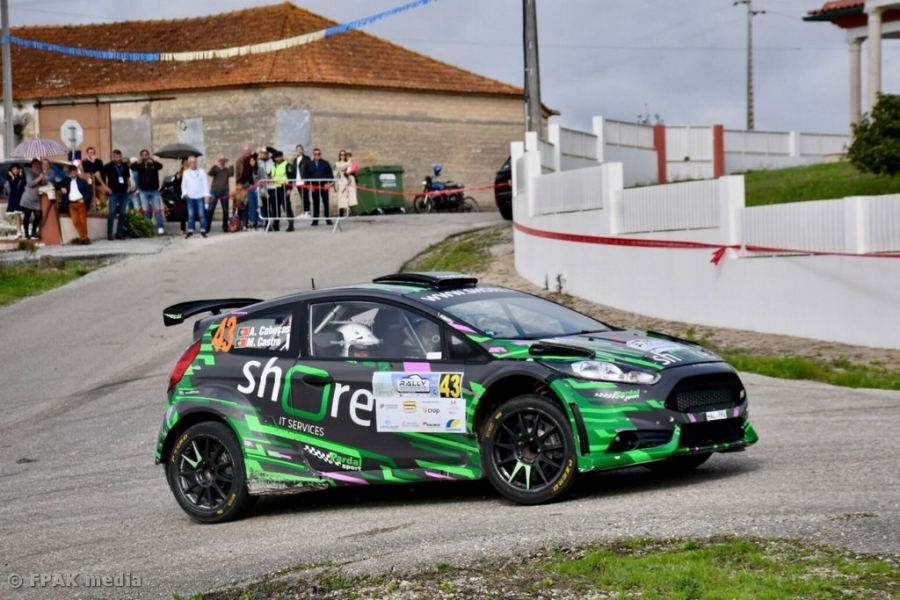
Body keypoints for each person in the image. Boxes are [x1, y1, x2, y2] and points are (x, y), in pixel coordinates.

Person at [57, 163, 94, 244]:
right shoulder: (66, 180)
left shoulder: (82, 181)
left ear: (77, 172)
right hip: (71, 204)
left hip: (80, 203)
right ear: (69, 172)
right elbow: (56, 184)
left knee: (83, 221)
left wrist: (84, 199)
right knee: (76, 222)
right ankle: (84, 238)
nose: (73, 172)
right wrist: (61, 188)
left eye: (74, 171)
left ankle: (83, 238)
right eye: (71, 171)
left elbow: (89, 192)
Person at [134, 149, 166, 235]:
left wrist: (153, 162)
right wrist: (137, 162)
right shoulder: (139, 165)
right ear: (141, 156)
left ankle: (160, 227)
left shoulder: (153, 164)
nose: (145, 156)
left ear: (148, 155)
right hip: (143, 191)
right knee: (146, 211)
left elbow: (161, 166)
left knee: (157, 210)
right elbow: (131, 167)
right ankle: (147, 228)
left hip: (154, 190)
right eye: (143, 155)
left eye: (146, 154)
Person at [101, 150, 131, 241]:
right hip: (113, 193)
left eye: (119, 157)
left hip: (124, 192)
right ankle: (109, 233)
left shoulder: (125, 166)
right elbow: (98, 174)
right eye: (116, 157)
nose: (118, 158)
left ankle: (119, 233)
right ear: (113, 157)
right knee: (112, 212)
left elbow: (127, 178)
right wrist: (104, 186)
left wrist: (129, 187)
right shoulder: (109, 166)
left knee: (122, 213)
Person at [181, 156, 210, 238]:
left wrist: (206, 196)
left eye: (195, 162)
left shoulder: (202, 172)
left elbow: (205, 185)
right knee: (191, 215)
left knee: (201, 214)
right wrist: (185, 193)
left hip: (200, 196)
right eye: (192, 162)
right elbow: (183, 185)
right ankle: (190, 230)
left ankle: (203, 230)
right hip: (190, 197)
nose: (194, 164)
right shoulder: (186, 173)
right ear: (189, 163)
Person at [307, 148, 334, 226]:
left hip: (323, 185)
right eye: (315, 154)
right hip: (315, 185)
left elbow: (330, 174)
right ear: (313, 155)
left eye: (318, 154)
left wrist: (328, 183)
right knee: (315, 203)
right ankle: (315, 220)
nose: (317, 155)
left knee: (326, 202)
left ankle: (328, 219)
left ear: (320, 154)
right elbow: (307, 175)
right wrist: (309, 185)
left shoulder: (325, 163)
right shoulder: (310, 164)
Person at [207, 153, 233, 232]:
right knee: (211, 209)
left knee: (225, 210)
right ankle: (207, 226)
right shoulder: (216, 168)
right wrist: (215, 165)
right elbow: (210, 173)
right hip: (214, 190)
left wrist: (231, 165)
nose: (222, 161)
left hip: (224, 191)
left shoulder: (226, 169)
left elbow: (231, 174)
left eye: (223, 159)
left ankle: (225, 227)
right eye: (220, 160)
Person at [271, 150, 294, 231]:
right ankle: (276, 224)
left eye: (278, 157)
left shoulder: (287, 165)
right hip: (276, 188)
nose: (276, 159)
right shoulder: (274, 166)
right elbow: (273, 176)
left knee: (286, 206)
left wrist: (289, 189)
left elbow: (291, 178)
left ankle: (291, 224)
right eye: (275, 157)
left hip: (284, 188)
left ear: (281, 157)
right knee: (275, 207)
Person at [21, 159, 44, 240]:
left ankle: (33, 231)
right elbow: (30, 184)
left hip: (36, 197)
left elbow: (42, 184)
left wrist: (42, 179)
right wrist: (39, 178)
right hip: (28, 197)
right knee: (27, 215)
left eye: (37, 164)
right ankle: (26, 232)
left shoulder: (40, 173)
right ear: (32, 165)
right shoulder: (29, 173)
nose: (36, 166)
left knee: (38, 215)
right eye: (34, 164)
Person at [235, 145, 255, 230]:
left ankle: (251, 222)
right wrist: (238, 183)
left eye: (248, 151)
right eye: (245, 151)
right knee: (242, 205)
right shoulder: (239, 161)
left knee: (250, 204)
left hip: (251, 184)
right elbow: (237, 173)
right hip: (242, 184)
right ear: (243, 152)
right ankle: (243, 223)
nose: (247, 152)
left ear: (250, 152)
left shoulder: (253, 160)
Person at [4, 163, 26, 238]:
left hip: (22, 197)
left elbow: (23, 185)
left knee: (23, 214)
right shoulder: (10, 178)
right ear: (11, 170)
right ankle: (19, 231)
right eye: (14, 169)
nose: (15, 170)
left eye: (17, 168)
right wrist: (13, 177)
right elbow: (13, 187)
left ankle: (24, 230)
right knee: (17, 215)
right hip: (14, 198)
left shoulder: (22, 177)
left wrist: (20, 176)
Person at [257, 147, 275, 230]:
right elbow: (251, 160)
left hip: (272, 187)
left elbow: (276, 152)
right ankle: (267, 223)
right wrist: (257, 152)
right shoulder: (258, 161)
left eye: (266, 153)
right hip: (264, 188)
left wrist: (268, 148)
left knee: (274, 206)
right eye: (263, 153)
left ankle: (274, 222)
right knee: (266, 207)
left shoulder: (272, 160)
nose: (265, 154)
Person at [248, 153, 267, 230]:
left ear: (255, 161)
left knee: (259, 206)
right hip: (251, 190)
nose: (252, 162)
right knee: (252, 207)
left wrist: (258, 185)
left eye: (253, 160)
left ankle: (260, 222)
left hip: (258, 190)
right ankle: (252, 222)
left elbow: (263, 179)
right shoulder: (249, 170)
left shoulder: (260, 169)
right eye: (250, 161)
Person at [294, 145, 311, 218]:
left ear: (303, 150)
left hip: (304, 180)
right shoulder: (295, 160)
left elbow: (309, 169)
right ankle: (304, 211)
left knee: (305, 196)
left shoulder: (306, 159)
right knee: (302, 196)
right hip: (298, 181)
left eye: (300, 149)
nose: (299, 151)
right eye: (298, 149)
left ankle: (307, 212)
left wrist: (307, 179)